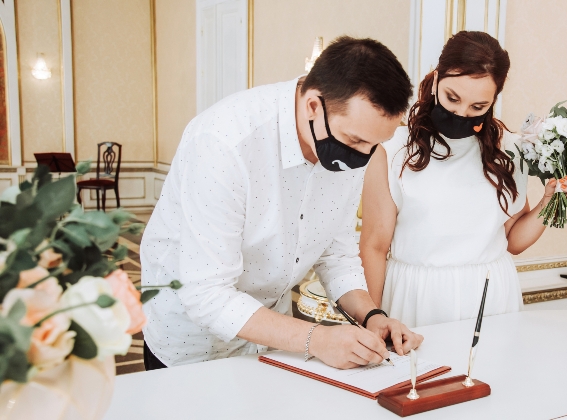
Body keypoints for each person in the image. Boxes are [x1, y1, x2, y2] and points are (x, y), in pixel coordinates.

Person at [140, 36, 424, 370]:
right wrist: (317, 339)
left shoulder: (350, 144)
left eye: (374, 146)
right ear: (313, 106)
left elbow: (337, 254)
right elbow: (206, 293)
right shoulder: (223, 143)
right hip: (189, 340)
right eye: (355, 141)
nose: (361, 158)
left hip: (273, 335)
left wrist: (372, 315)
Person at [360, 31, 567, 328]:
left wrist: (549, 201)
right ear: (437, 78)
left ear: (493, 100)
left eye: (478, 107)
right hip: (417, 297)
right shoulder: (392, 150)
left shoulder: (509, 149)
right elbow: (374, 246)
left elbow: (513, 240)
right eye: (452, 98)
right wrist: (370, 322)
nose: (461, 112)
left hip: (492, 296)